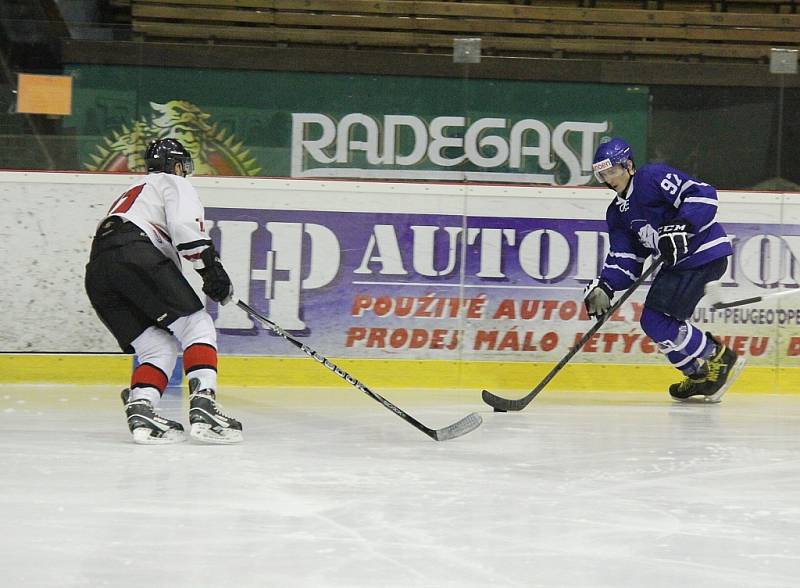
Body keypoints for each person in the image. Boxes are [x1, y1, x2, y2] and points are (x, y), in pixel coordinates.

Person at [85, 138, 243, 444]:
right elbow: (184, 226)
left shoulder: (133, 193)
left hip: (99, 272)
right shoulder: (172, 182)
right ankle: (205, 405)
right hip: (136, 254)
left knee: (158, 347)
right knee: (197, 325)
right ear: (177, 165)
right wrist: (211, 270)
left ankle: (142, 405)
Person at [583, 137, 745, 402]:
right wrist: (606, 285)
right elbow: (627, 258)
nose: (609, 178)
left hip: (701, 254)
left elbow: (702, 194)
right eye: (603, 174)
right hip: (676, 265)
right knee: (657, 323)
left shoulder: (651, 177)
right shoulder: (617, 213)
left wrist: (683, 224)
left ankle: (719, 358)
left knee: (655, 320)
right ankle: (700, 376)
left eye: (613, 170)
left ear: (629, 166)